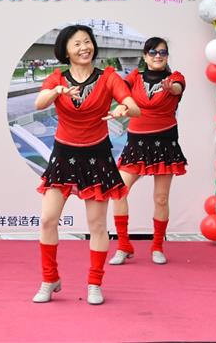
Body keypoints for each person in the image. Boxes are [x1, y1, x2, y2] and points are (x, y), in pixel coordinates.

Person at [31, 25, 139, 305]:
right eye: (77, 43)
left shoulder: (109, 77)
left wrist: (122, 108)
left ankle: (94, 283)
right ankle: (49, 279)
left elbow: (135, 106)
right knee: (48, 219)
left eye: (87, 42)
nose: (84, 48)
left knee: (97, 224)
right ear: (66, 50)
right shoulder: (56, 78)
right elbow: (39, 103)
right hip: (63, 155)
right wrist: (57, 91)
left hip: (97, 156)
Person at [110, 37, 187, 265]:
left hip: (164, 145)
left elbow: (177, 88)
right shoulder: (134, 78)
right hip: (136, 145)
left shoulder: (175, 78)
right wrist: (121, 107)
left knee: (161, 199)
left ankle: (157, 246)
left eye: (162, 52)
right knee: (119, 191)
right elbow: (121, 95)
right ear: (145, 56)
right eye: (153, 52)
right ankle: (123, 245)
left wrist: (171, 88)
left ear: (167, 56)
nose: (158, 56)